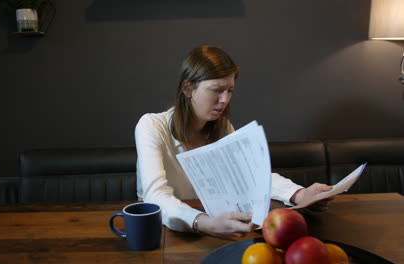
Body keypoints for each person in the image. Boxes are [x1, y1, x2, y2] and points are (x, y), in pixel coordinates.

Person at [135, 45, 332, 237]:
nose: (225, 100)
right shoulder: (151, 126)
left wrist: (299, 194)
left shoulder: (222, 127)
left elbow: (253, 176)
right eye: (216, 90)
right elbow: (156, 196)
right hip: (163, 232)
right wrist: (206, 223)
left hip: (214, 226)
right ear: (188, 88)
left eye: (230, 90)